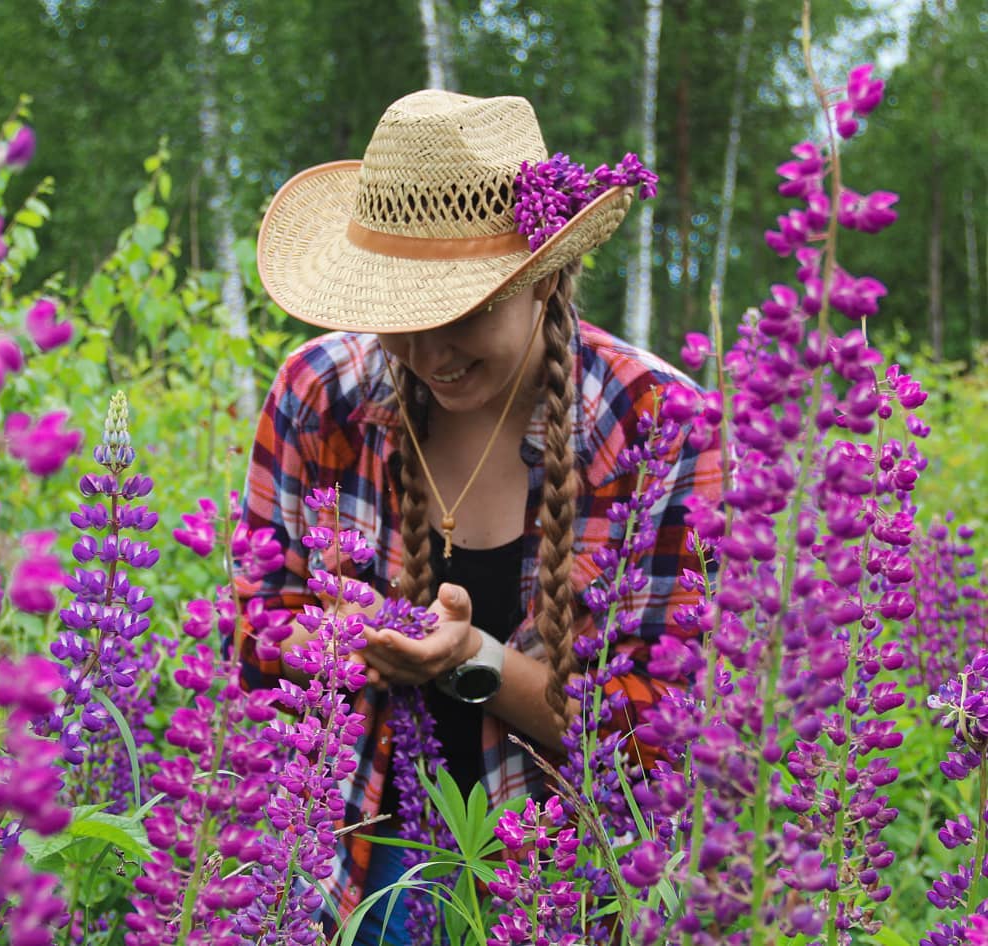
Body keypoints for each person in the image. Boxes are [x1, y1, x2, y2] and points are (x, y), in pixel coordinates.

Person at [234, 89, 721, 943]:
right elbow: (256, 630)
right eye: (400, 317)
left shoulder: (656, 424)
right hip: (355, 854)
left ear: (546, 276)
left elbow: (663, 730)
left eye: (459, 313)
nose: (427, 355)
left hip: (574, 875)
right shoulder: (319, 394)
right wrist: (333, 646)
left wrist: (473, 659)